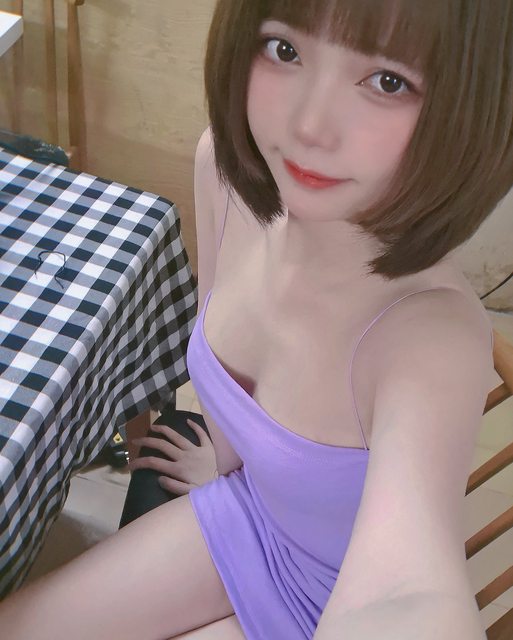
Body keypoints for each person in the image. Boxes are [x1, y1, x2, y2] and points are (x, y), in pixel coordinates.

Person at [1, 1, 512, 638]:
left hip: (322, 600)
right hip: (247, 514)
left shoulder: (431, 336)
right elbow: (222, 361)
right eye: (284, 49)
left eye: (387, 81)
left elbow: (406, 594)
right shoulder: (225, 173)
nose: (308, 126)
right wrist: (225, 454)